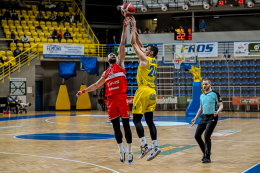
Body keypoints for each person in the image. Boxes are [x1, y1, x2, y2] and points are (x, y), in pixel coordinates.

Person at [76, 17, 133, 164]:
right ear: (108, 60)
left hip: (121, 98)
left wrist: (125, 27)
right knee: (116, 128)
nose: (113, 55)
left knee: (126, 126)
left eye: (114, 54)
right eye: (110, 55)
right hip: (111, 101)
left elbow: (121, 44)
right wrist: (83, 92)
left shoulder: (120, 64)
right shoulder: (105, 73)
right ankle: (121, 150)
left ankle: (131, 150)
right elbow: (95, 85)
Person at [129, 17, 161, 161]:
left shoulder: (144, 59)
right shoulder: (153, 60)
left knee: (136, 120)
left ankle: (144, 145)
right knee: (150, 121)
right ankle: (155, 147)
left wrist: (131, 29)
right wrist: (134, 27)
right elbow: (140, 43)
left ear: (151, 52)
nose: (144, 49)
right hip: (153, 92)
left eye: (147, 49)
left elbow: (133, 44)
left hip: (143, 91)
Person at [191, 79, 223, 163]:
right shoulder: (202, 96)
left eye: (206, 84)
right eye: (203, 84)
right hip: (204, 117)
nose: (204, 86)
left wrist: (217, 111)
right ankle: (205, 152)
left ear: (210, 84)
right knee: (197, 136)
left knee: (206, 136)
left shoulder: (215, 94)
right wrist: (195, 118)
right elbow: (200, 109)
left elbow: (221, 105)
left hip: (212, 117)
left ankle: (207, 157)